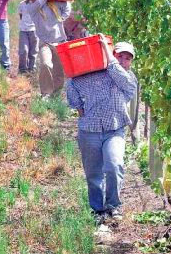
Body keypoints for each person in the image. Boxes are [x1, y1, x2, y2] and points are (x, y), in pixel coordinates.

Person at [66, 35, 137, 223]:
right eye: (120, 55)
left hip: (115, 130)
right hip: (89, 131)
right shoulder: (94, 72)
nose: (123, 60)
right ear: (113, 54)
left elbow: (118, 74)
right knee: (93, 173)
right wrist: (81, 108)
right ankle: (97, 209)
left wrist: (107, 54)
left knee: (114, 166)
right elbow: (72, 85)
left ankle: (113, 205)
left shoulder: (128, 79)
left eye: (127, 58)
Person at [25, 0, 71, 96]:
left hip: (60, 41)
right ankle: (46, 93)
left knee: (59, 70)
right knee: (46, 64)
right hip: (44, 42)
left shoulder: (53, 3)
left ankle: (56, 93)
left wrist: (62, 18)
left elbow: (67, 6)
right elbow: (41, 0)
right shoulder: (32, 7)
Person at [18, 0, 39, 74]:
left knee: (33, 51)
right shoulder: (22, 4)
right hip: (23, 30)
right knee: (24, 50)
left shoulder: (38, 4)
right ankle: (22, 70)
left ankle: (32, 69)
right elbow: (21, 16)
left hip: (34, 30)